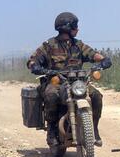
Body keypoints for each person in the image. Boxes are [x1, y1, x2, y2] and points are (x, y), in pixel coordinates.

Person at [27, 12, 112, 147]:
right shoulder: (49, 45)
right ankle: (52, 130)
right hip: (56, 82)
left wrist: (103, 61)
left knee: (96, 96)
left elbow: (95, 55)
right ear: (68, 28)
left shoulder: (78, 45)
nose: (77, 29)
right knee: (51, 95)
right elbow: (32, 61)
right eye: (75, 26)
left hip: (77, 83)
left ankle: (94, 129)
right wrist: (37, 67)